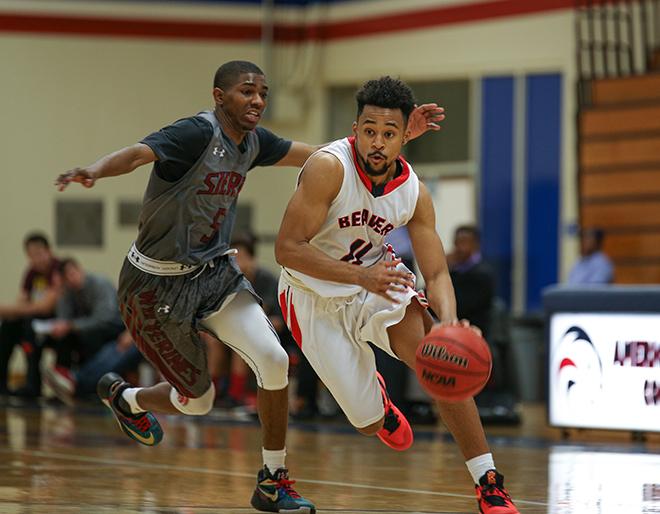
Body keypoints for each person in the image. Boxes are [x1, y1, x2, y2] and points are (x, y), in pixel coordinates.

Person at [55, 60, 443, 513]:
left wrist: (395, 140)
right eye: (246, 91)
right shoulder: (194, 134)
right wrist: (95, 170)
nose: (257, 100)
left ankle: (272, 482)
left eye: (262, 92)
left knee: (274, 360)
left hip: (214, 274)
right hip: (153, 285)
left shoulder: (255, 142)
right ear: (220, 97)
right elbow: (139, 153)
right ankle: (128, 397)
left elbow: (334, 154)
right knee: (199, 403)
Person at [275, 76, 519, 514]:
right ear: (356, 129)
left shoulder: (413, 192)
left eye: (389, 134)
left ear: (404, 136)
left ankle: (488, 482)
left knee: (442, 359)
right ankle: (379, 406)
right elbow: (287, 251)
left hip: (378, 281)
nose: (377, 142)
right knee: (366, 424)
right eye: (369, 130)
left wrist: (447, 323)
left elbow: (438, 271)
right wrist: (359, 278)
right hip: (312, 295)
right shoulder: (329, 168)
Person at [43, 258, 139, 404]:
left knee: (113, 352)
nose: (71, 278)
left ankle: (75, 382)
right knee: (103, 350)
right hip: (112, 334)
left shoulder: (100, 284)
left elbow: (105, 318)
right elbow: (63, 320)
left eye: (72, 273)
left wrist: (130, 333)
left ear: (79, 269)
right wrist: (60, 291)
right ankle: (74, 382)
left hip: (123, 331)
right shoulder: (68, 292)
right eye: (66, 277)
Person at [0, 232, 61, 397]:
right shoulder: (31, 273)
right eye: (31, 255)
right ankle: (2, 384)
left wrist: (8, 309)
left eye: (39, 253)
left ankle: (33, 385)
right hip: (35, 321)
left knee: (29, 328)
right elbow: (21, 302)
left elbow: (46, 307)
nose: (36, 259)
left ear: (49, 251)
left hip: (57, 324)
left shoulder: (58, 269)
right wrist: (10, 311)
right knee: (7, 327)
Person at [446, 225, 495, 339]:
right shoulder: (452, 269)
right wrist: (440, 271)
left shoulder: (483, 273)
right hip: (453, 330)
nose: (459, 248)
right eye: (457, 242)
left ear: (475, 245)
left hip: (475, 333)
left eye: (464, 242)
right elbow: (429, 301)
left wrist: (448, 270)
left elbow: (461, 306)